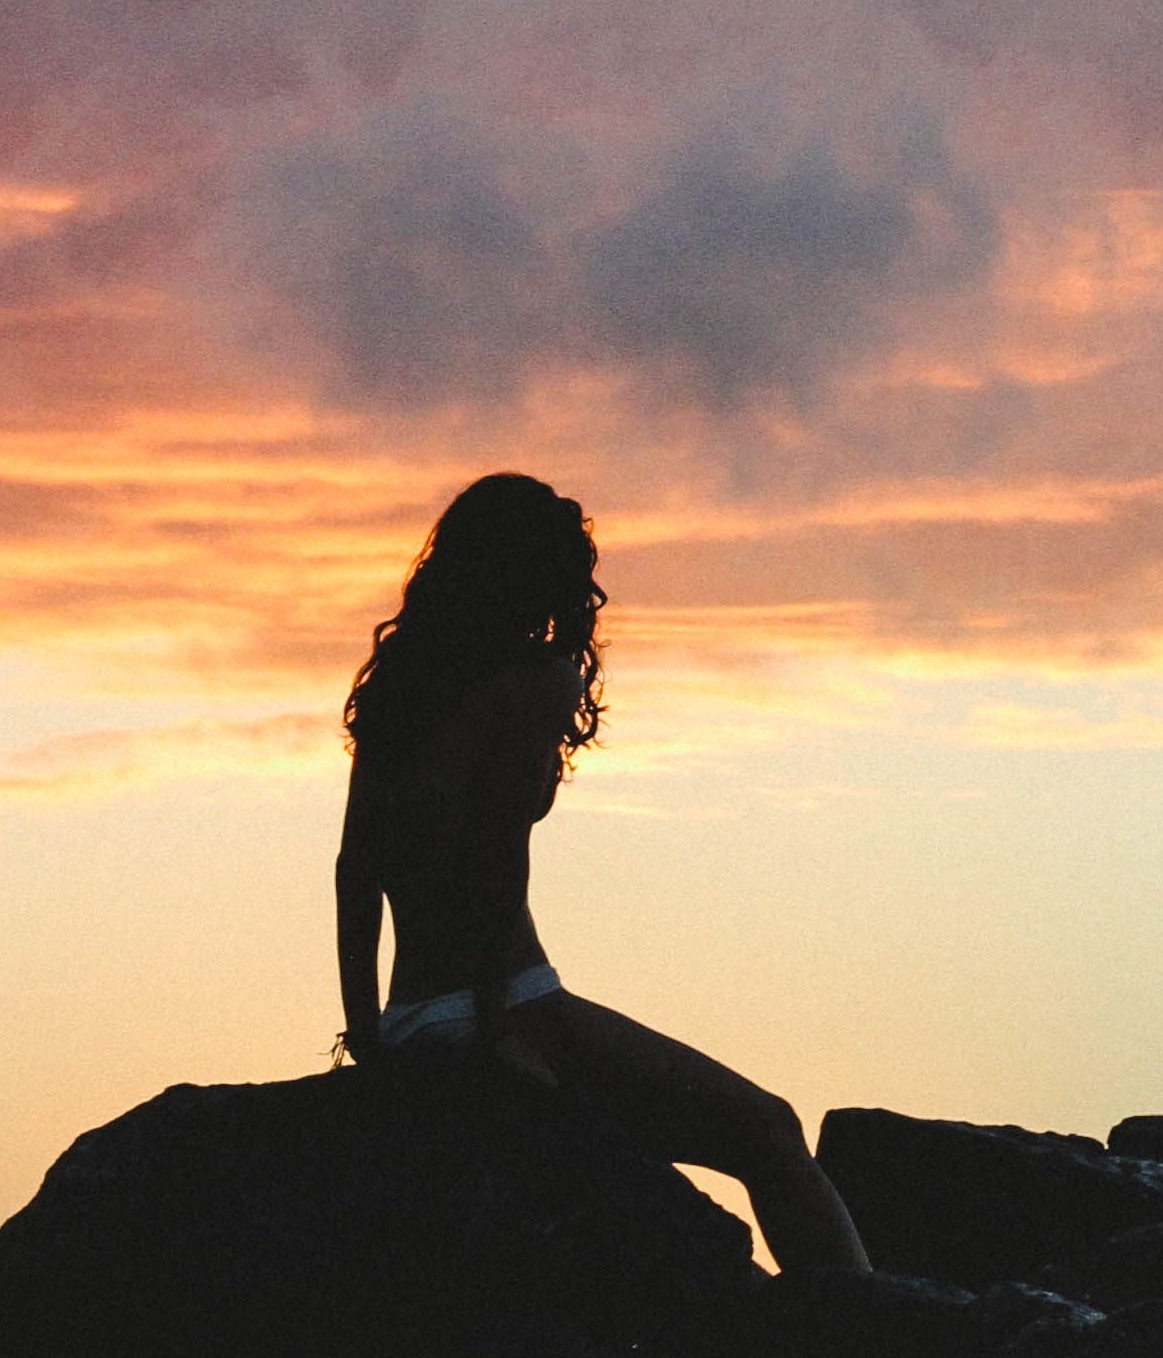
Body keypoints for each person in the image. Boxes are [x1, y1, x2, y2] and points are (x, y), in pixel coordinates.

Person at [336, 472, 871, 1276]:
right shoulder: (532, 682)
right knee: (766, 1129)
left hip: (413, 1018)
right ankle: (871, 1345)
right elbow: (488, 866)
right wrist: (499, 1029)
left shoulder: (398, 689)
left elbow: (355, 873)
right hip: (510, 1002)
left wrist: (370, 1037)